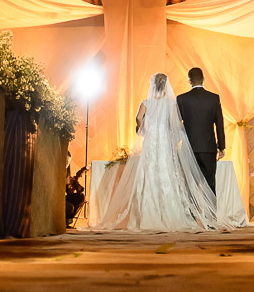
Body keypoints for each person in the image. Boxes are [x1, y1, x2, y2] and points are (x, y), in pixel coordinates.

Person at [95, 73, 232, 232]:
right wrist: (174, 136)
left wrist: (145, 128)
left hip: (152, 143)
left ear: (152, 86)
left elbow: (139, 118)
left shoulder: (146, 103)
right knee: (168, 176)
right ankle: (175, 214)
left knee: (150, 176)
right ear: (166, 86)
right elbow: (175, 124)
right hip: (166, 144)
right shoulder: (171, 104)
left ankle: (148, 215)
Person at [176, 67, 226, 197]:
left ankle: (192, 216)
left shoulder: (181, 99)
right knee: (210, 184)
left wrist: (176, 144)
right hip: (208, 148)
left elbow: (175, 124)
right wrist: (221, 146)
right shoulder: (214, 98)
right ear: (203, 79)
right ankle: (211, 216)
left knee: (189, 185)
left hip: (188, 148)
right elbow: (219, 124)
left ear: (189, 81)